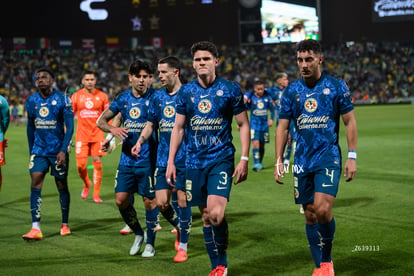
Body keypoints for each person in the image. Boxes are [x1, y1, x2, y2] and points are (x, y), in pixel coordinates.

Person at [274, 39, 357, 276]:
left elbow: (349, 121)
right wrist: (279, 159)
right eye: (300, 60)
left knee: (322, 209)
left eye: (308, 59)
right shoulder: (291, 92)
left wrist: (352, 155)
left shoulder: (336, 86)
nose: (303, 65)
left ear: (320, 59)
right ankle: (319, 266)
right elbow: (282, 126)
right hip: (302, 159)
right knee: (309, 213)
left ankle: (327, 261)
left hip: (327, 155)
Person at [166, 41, 250, 275]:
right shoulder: (186, 92)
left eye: (206, 59)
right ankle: (217, 268)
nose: (201, 63)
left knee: (215, 213)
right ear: (193, 64)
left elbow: (243, 124)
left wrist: (244, 158)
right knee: (204, 216)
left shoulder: (230, 89)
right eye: (197, 60)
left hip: (221, 159)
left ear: (216, 61)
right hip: (193, 161)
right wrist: (172, 161)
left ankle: (222, 263)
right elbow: (179, 128)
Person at [131, 56, 192, 263]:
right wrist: (140, 141)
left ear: (175, 72)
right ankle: (179, 226)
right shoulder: (157, 97)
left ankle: (183, 246)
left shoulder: (189, 94)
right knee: (162, 202)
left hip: (185, 156)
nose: (159, 76)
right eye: (158, 72)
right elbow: (150, 124)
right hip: (162, 157)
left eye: (163, 72)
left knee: (182, 199)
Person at [96, 60, 159, 258]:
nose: (141, 80)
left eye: (145, 76)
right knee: (121, 200)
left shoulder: (157, 97)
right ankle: (139, 233)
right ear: (130, 77)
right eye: (138, 76)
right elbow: (101, 121)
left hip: (149, 158)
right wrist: (112, 131)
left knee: (150, 201)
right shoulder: (122, 99)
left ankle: (150, 244)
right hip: (126, 160)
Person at [23, 68, 74, 240]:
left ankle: (65, 224)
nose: (40, 80)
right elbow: (30, 127)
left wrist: (63, 150)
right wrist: (32, 151)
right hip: (39, 151)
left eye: (44, 77)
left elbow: (70, 127)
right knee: (35, 181)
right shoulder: (31, 100)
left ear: (52, 80)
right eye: (38, 78)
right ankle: (35, 227)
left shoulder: (63, 99)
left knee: (61, 185)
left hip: (57, 151)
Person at [71, 70, 109, 203]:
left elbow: (107, 116)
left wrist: (110, 134)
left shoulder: (102, 96)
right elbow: (70, 117)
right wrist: (66, 136)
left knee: (97, 163)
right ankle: (87, 183)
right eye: (87, 79)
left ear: (95, 81)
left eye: (92, 79)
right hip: (82, 136)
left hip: (97, 134)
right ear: (82, 81)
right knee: (81, 166)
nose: (89, 82)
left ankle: (96, 195)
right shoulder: (76, 96)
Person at [245, 80, 275, 172]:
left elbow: (272, 109)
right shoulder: (252, 98)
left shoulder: (267, 98)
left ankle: (260, 162)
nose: (261, 91)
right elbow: (246, 107)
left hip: (264, 125)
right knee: (255, 143)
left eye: (262, 89)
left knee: (262, 145)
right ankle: (256, 163)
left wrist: (271, 119)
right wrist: (246, 100)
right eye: (259, 89)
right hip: (254, 125)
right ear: (255, 89)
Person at [0, 94, 10, 191]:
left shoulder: (2, 100)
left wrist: (1, 133)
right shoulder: (2, 100)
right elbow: (6, 120)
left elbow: (6, 119)